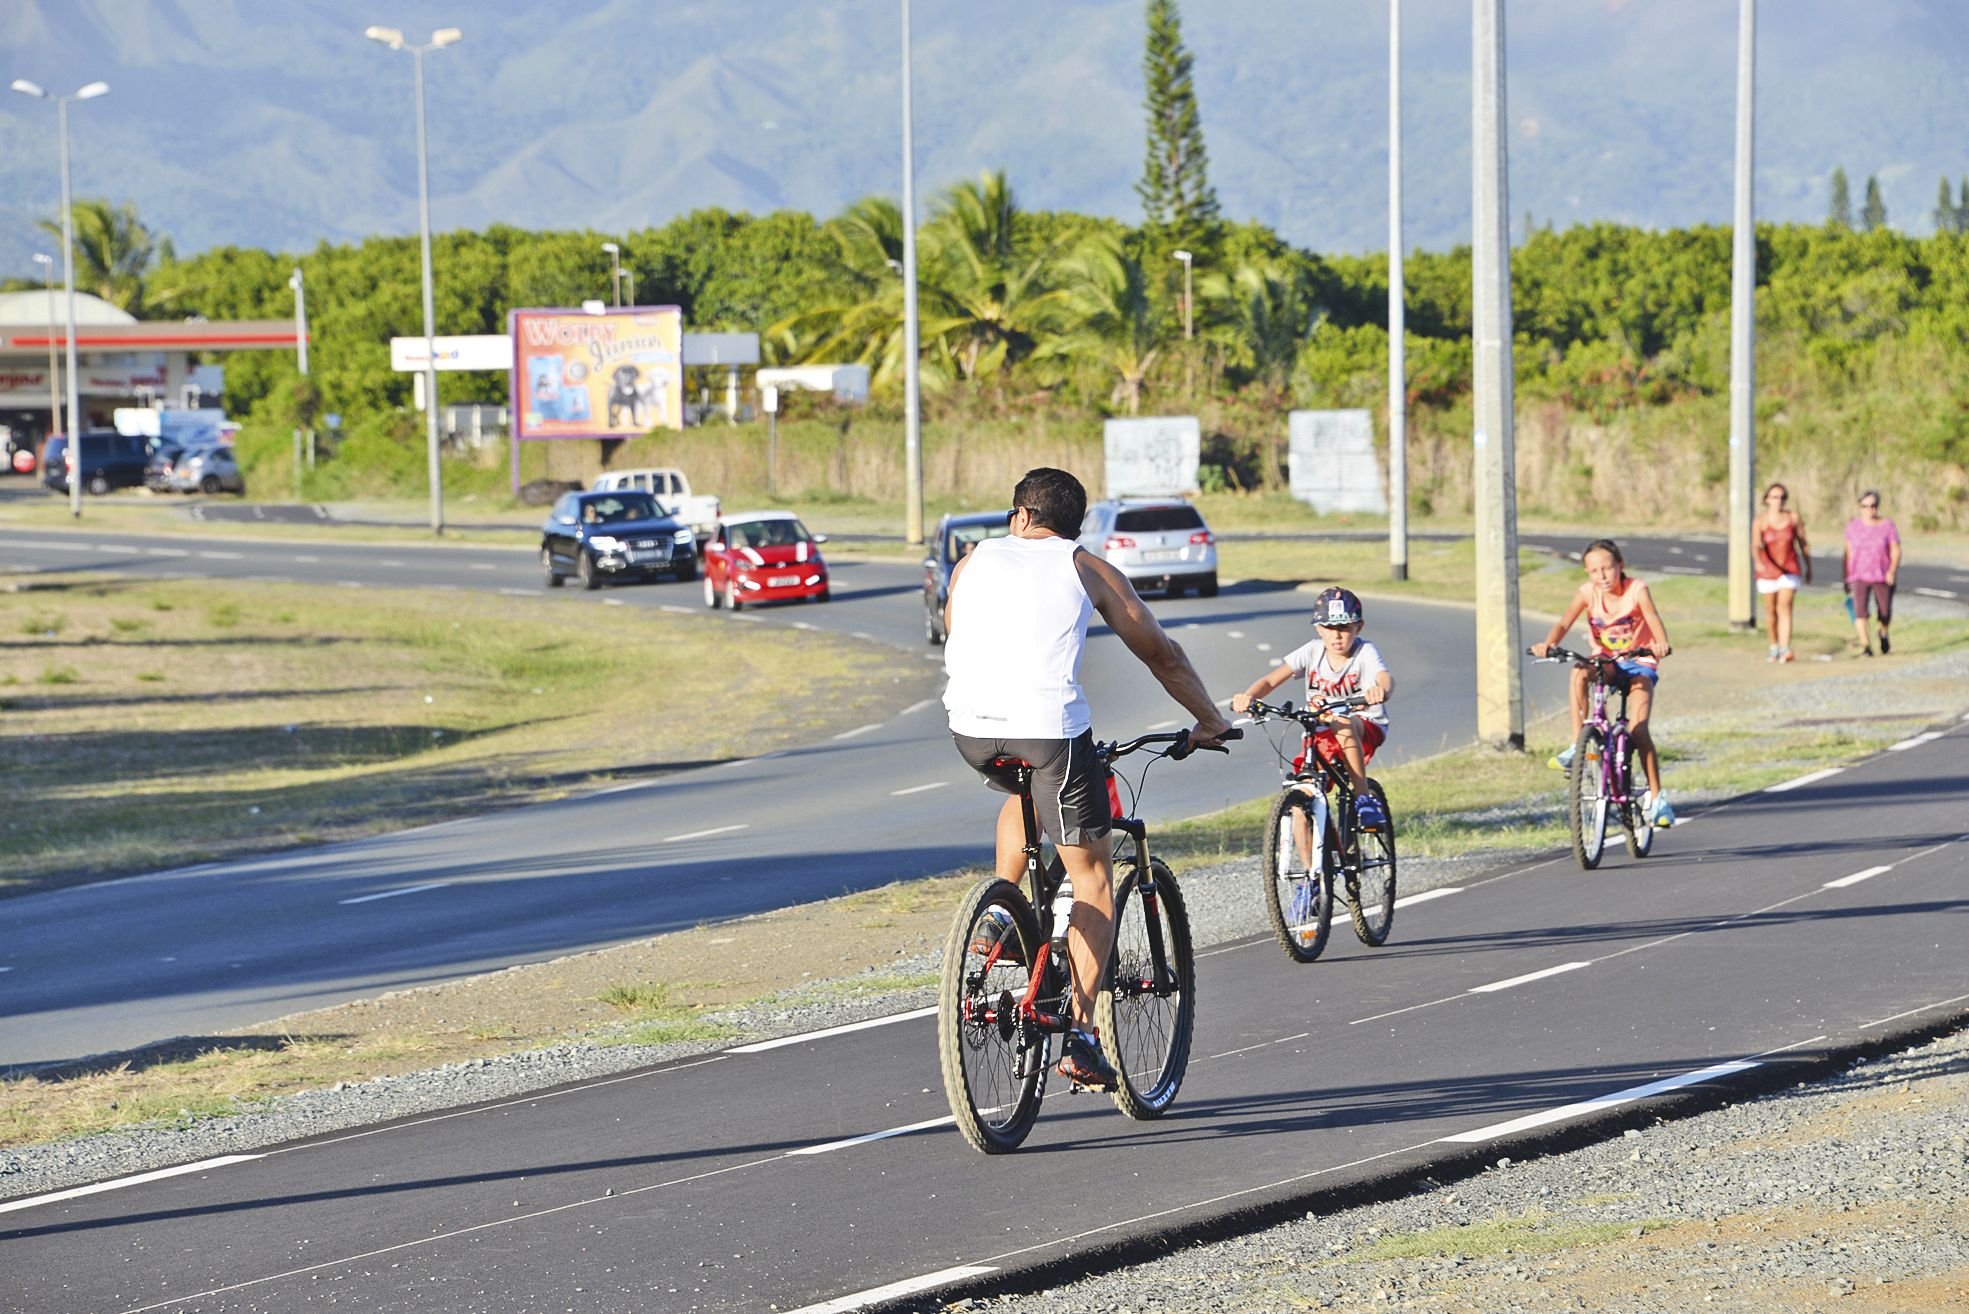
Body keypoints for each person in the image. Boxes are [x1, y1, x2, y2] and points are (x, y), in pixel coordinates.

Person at [943, 468, 1233, 1091]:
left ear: (1020, 515)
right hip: (1048, 729)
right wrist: (1208, 720)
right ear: (1076, 525)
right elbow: (1160, 652)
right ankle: (1079, 1031)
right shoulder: (1086, 567)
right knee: (1094, 877)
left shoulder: (972, 560)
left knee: (1023, 789)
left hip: (969, 729)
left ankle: (1001, 906)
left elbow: (956, 628)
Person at [1531, 539, 1677, 828]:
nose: (1602, 576)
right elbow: (1564, 623)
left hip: (1639, 662)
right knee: (1579, 672)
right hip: (1606, 661)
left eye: (1607, 568)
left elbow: (1652, 616)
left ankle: (1657, 798)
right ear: (1587, 573)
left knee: (1638, 729)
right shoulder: (1587, 593)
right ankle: (1578, 745)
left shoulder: (1637, 590)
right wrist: (1549, 644)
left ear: (1620, 566)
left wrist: (1661, 644)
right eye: (1594, 571)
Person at [1230, 585, 1394, 837]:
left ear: (1358, 627)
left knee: (1341, 720)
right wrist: (1248, 697)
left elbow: (1384, 677)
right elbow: (1271, 680)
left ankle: (1363, 798)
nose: (1336, 636)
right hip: (1320, 729)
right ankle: (1311, 874)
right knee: (1300, 799)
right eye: (1329, 628)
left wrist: (1380, 691)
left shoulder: (1365, 652)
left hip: (1364, 725)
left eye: (1344, 628)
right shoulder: (1311, 651)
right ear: (1318, 629)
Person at [1753, 482, 1811, 663]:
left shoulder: (1793, 518)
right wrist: (1758, 563)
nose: (1778, 501)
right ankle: (1774, 646)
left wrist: (1809, 566)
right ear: (1767, 500)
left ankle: (1785, 647)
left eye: (1782, 497)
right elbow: (1755, 545)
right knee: (1771, 611)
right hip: (1768, 570)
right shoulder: (1760, 521)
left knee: (1784, 606)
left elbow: (1803, 542)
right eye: (1774, 497)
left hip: (1790, 568)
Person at [1842, 490, 1901, 656]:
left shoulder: (1887, 525)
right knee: (1860, 610)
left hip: (1882, 574)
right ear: (1860, 507)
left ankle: (1883, 632)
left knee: (1885, 611)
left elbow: (1895, 549)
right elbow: (1848, 552)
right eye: (1866, 506)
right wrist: (1846, 577)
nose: (1870, 510)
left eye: (1873, 506)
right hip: (1859, 575)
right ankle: (1866, 646)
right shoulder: (1852, 526)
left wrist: (1892, 570)